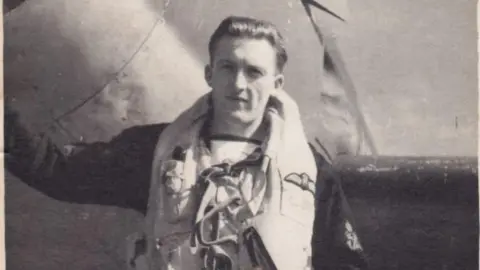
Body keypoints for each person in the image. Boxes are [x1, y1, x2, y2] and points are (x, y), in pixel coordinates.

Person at [5, 15, 368, 270]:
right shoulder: (155, 149)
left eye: (254, 72)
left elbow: (345, 262)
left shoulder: (311, 171)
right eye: (228, 68)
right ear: (210, 74)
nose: (239, 84)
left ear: (276, 84)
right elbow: (60, 172)